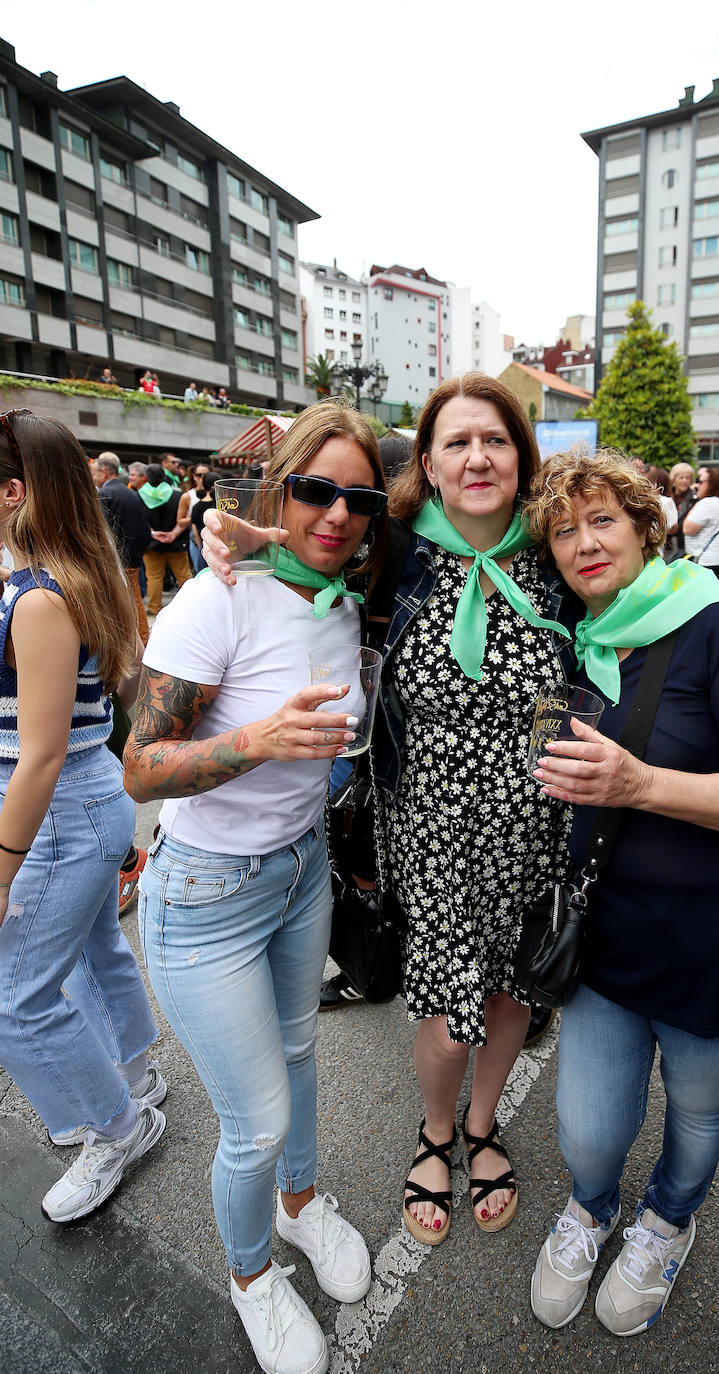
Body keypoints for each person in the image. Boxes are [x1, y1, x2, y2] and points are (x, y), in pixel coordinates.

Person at [522, 449, 719, 1337]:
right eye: (564, 530)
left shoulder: (715, 626)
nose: (583, 543)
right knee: (586, 1134)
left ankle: (666, 1222)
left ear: (649, 526)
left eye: (602, 519)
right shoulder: (569, 641)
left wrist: (642, 785)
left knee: (696, 1116)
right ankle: (591, 1207)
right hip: (610, 944)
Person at [124, 401, 384, 1374]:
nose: (335, 514)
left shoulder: (343, 599)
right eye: (316, 489)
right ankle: (249, 1278)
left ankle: (301, 1206)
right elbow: (141, 769)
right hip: (203, 898)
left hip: (297, 872)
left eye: (356, 498)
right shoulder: (217, 598)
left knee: (301, 1054)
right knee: (256, 1118)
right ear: (281, 489)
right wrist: (257, 744)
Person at [373, 376, 572, 1244]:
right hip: (435, 834)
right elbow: (300, 563)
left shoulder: (561, 557)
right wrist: (229, 546)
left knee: (510, 998)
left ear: (521, 458)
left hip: (537, 830)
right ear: (429, 462)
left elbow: (643, 614)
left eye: (494, 440)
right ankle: (436, 1127)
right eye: (456, 442)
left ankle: (482, 1125)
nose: (477, 457)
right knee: (448, 1024)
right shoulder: (396, 553)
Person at [0, 408, 166, 1224]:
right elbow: (126, 692)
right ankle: (134, 1075)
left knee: (14, 999)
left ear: (14, 492)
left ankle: (118, 1127)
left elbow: (38, 755)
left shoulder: (37, 596)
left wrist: (0, 869)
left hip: (59, 815)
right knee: (97, 951)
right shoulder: (85, 572)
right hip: (92, 803)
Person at [92, 453, 152, 646]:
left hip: (119, 558)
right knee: (133, 598)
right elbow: (144, 528)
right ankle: (140, 638)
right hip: (132, 555)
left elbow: (101, 530)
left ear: (103, 471)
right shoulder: (131, 492)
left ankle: (141, 639)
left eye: (94, 472)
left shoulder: (105, 494)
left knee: (130, 600)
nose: (93, 477)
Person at [140, 462, 192, 616]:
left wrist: (154, 533)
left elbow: (140, 519)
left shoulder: (140, 495)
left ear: (146, 477)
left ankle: (154, 607)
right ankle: (190, 605)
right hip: (176, 542)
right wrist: (173, 534)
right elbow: (184, 518)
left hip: (153, 544)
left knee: (154, 577)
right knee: (184, 575)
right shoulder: (177, 494)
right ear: (164, 476)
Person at [682, 464, 719, 582]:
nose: (698, 486)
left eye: (701, 482)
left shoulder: (708, 503)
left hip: (707, 562)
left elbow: (687, 528)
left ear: (712, 484)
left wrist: (696, 502)